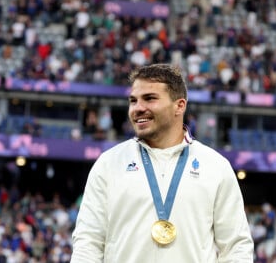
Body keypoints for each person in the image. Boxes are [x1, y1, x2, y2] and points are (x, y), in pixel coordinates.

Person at [70, 63, 254, 262]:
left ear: (179, 105)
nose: (138, 108)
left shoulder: (215, 166)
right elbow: (88, 242)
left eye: (150, 98)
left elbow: (236, 246)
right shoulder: (109, 163)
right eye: (133, 101)